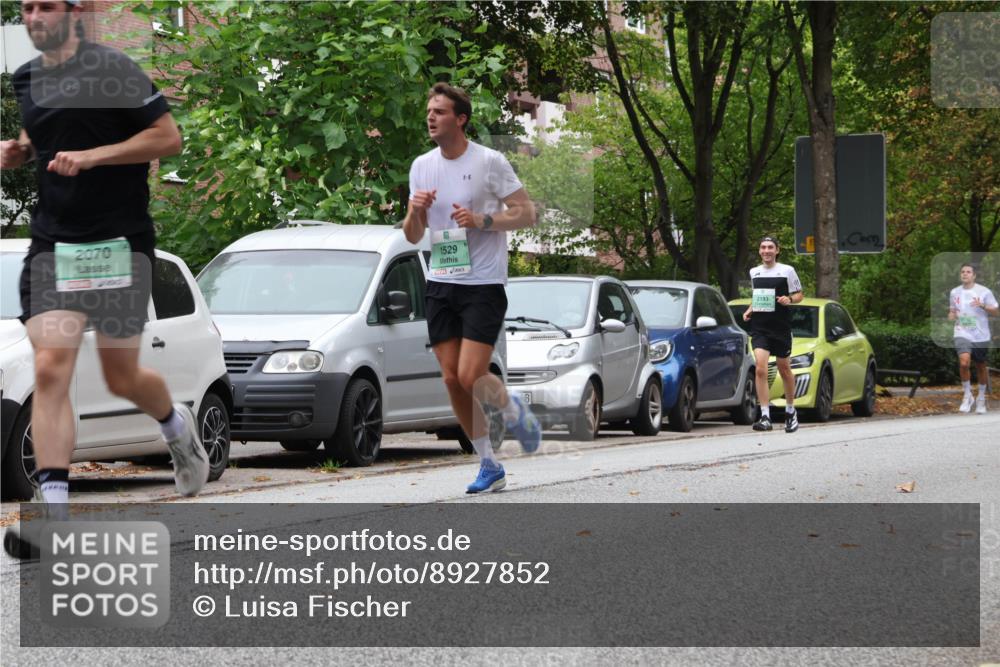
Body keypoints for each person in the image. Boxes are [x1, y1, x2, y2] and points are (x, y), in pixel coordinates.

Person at [1, 0, 207, 557]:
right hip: (53, 243)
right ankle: (52, 514)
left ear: (71, 12)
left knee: (121, 378)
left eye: (46, 6)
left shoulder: (113, 68)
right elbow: (37, 137)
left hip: (117, 241)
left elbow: (168, 139)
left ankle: (175, 427)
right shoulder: (26, 79)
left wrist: (95, 157)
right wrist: (16, 151)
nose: (35, 16)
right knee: (49, 368)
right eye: (27, 8)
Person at [403, 82, 541, 493]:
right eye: (429, 111)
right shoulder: (421, 166)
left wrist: (483, 221)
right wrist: (414, 211)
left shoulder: (489, 161)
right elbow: (413, 236)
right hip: (440, 281)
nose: (431, 117)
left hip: (482, 282)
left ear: (460, 119)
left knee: (469, 374)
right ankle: (488, 463)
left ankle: (514, 410)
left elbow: (527, 213)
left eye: (440, 111)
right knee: (450, 379)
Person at [743, 236, 804, 433]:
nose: (766, 250)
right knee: (760, 369)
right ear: (759, 251)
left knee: (784, 369)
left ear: (777, 250)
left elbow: (799, 294)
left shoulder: (787, 270)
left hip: (781, 327)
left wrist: (790, 299)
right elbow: (758, 296)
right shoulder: (755, 272)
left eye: (770, 247)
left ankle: (790, 411)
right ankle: (765, 416)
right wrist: (750, 309)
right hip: (760, 326)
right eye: (763, 247)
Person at [948, 263, 998, 414]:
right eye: (962, 271)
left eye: (968, 272)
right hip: (962, 331)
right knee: (964, 362)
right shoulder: (954, 292)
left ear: (974, 275)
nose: (965, 274)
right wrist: (951, 316)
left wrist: (982, 306)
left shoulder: (984, 292)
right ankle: (967, 395)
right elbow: (951, 312)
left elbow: (996, 312)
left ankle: (981, 397)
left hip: (980, 334)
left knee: (980, 366)